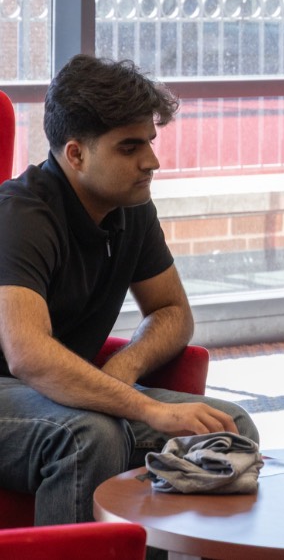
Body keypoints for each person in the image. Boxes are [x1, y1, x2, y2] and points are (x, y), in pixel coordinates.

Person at [0, 54, 258, 525]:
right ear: (75, 154)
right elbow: (27, 355)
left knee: (229, 427)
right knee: (89, 435)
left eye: (151, 142)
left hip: (60, 393)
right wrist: (146, 408)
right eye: (129, 147)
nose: (151, 161)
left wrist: (123, 368)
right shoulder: (20, 215)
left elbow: (172, 310)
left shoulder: (131, 206)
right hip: (7, 388)